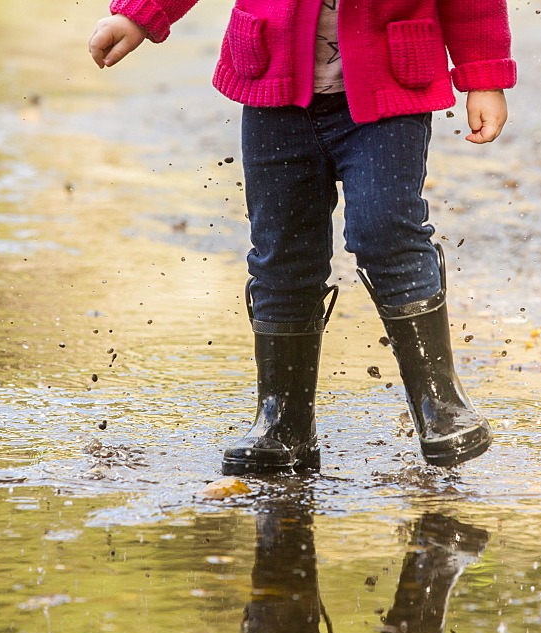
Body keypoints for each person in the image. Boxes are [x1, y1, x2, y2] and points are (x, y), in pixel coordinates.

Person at [89, 0, 516, 475]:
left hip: (388, 88)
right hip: (275, 90)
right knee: (282, 250)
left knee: (386, 232)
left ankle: (440, 403)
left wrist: (483, 75)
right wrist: (140, 15)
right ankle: (282, 421)